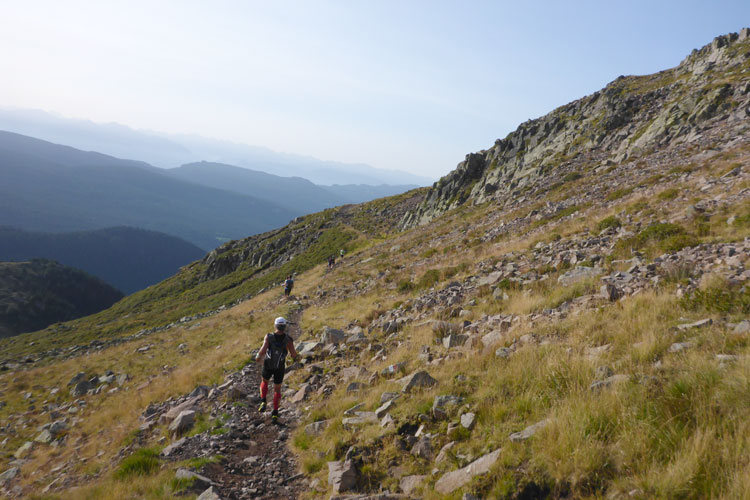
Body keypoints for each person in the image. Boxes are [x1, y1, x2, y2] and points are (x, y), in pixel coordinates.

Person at [255, 317, 299, 422]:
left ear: (275, 325)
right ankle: (275, 413)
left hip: (268, 364)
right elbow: (293, 354)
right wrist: (297, 358)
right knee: (277, 389)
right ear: (285, 327)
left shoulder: (269, 337)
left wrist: (258, 357)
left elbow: (263, 350)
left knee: (264, 381)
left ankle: (263, 401)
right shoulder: (288, 340)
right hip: (280, 367)